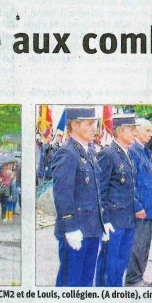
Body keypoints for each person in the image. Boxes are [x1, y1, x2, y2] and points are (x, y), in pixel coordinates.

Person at [51, 107, 104, 286]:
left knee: (86, 281)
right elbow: (62, 193)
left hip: (91, 229)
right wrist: (70, 227)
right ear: (74, 125)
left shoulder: (89, 151)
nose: (94, 128)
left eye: (94, 124)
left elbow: (94, 191)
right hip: (76, 230)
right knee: (70, 283)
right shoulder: (67, 152)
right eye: (89, 124)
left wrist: (103, 222)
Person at [95, 114, 138, 287]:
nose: (134, 133)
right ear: (119, 131)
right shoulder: (108, 153)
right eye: (131, 130)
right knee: (109, 264)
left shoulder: (126, 153)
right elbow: (100, 189)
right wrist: (104, 219)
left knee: (121, 262)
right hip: (113, 218)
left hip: (127, 217)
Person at [125, 118, 152, 287]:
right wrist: (137, 205)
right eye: (147, 130)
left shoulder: (143, 150)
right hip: (141, 208)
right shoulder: (133, 151)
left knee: (144, 245)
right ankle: (133, 279)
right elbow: (133, 182)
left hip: (149, 207)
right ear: (136, 131)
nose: (151, 134)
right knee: (137, 245)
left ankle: (139, 276)